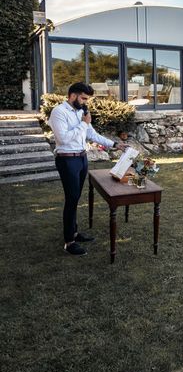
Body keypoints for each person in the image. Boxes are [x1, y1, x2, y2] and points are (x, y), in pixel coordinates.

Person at [48, 82, 125, 256]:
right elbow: (64, 138)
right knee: (71, 198)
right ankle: (69, 242)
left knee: (76, 197)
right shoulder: (59, 112)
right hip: (67, 160)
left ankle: (74, 232)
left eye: (86, 99)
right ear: (73, 95)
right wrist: (84, 124)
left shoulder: (82, 112)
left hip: (82, 158)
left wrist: (115, 144)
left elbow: (92, 135)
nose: (85, 102)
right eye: (83, 98)